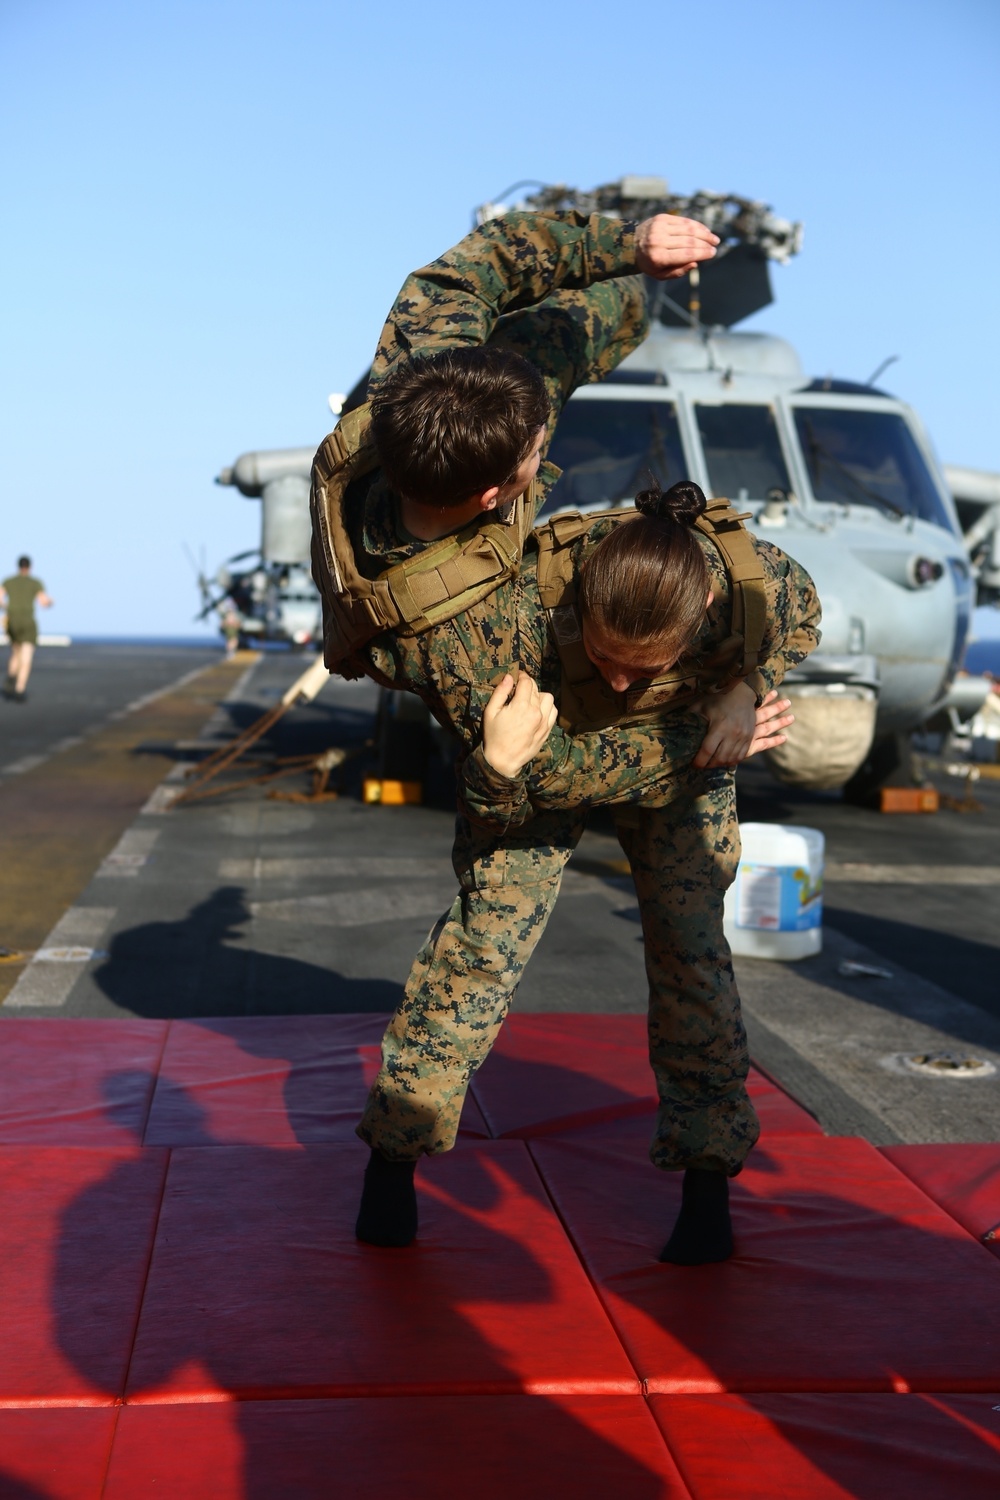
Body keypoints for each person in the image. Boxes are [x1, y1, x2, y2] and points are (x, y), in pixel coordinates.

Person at [309, 209, 818, 1261]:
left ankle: (708, 1174)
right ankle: (395, 1158)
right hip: (551, 745)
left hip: (664, 727)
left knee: (690, 955)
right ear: (504, 493)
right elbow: (545, 777)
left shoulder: (419, 372)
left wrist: (629, 247)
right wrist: (703, 738)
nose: (551, 450)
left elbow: (484, 260)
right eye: (543, 450)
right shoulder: (461, 627)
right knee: (481, 950)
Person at [1, 556, 53, 703]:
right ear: (30, 567)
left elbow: (0, 598)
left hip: (12, 621)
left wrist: (8, 609)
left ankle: (11, 676)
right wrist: (50, 602)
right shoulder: (35, 583)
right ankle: (19, 688)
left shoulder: (8, 581)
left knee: (16, 651)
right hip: (27, 621)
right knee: (26, 655)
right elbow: (43, 602)